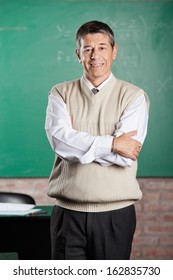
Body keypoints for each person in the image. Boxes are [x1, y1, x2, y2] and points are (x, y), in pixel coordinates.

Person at [45, 20, 149, 260]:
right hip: (67, 214)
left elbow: (126, 158)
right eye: (87, 49)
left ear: (114, 51)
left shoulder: (133, 96)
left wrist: (79, 146)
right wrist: (112, 143)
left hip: (115, 215)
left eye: (102, 47)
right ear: (78, 54)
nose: (95, 56)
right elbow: (61, 143)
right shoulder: (60, 93)